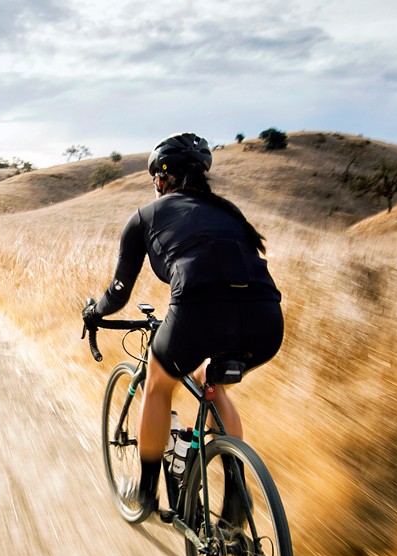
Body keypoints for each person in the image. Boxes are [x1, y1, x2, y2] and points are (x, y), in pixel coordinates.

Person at [82, 132, 283, 514]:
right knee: (213, 383)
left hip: (199, 312)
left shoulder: (145, 217)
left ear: (160, 178)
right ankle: (237, 495)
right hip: (266, 320)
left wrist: (95, 312)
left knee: (158, 384)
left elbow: (119, 292)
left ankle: (145, 491)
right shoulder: (229, 212)